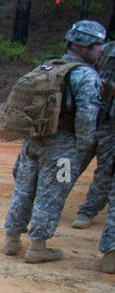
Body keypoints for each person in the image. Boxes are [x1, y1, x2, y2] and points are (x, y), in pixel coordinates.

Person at [3, 20, 105, 263]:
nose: (101, 50)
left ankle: (11, 240)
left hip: (33, 140)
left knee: (23, 189)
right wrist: (84, 146)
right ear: (83, 46)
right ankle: (37, 247)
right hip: (64, 147)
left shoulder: (47, 67)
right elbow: (87, 116)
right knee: (52, 193)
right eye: (98, 45)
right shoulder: (85, 75)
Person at [71, 41, 113, 234]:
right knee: (72, 162)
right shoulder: (107, 49)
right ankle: (52, 197)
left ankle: (88, 211)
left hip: (111, 125)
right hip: (91, 114)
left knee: (105, 170)